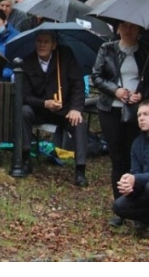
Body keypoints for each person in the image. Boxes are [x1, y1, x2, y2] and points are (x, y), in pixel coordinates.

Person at [92, 21, 147, 226]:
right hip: (111, 108)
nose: (128, 30)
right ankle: (120, 206)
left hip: (136, 111)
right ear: (118, 28)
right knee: (118, 158)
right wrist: (115, 90)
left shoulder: (145, 53)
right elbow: (96, 76)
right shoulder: (107, 49)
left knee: (136, 157)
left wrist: (142, 94)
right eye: (124, 26)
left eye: (133, 26)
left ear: (139, 29)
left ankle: (138, 209)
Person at [19, 31, 89, 186]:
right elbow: (24, 96)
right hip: (39, 109)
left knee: (80, 123)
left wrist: (76, 108)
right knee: (23, 112)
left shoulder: (65, 56)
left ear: (54, 44)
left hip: (64, 110)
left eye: (46, 42)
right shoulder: (27, 62)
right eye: (39, 41)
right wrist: (44, 103)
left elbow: (78, 84)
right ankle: (25, 159)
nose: (42, 45)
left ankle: (80, 169)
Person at [111, 101, 149, 232]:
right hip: (144, 188)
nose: (141, 118)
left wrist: (136, 179)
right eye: (139, 115)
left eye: (146, 114)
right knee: (119, 206)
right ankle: (144, 220)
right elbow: (136, 172)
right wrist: (129, 186)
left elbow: (138, 177)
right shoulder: (137, 143)